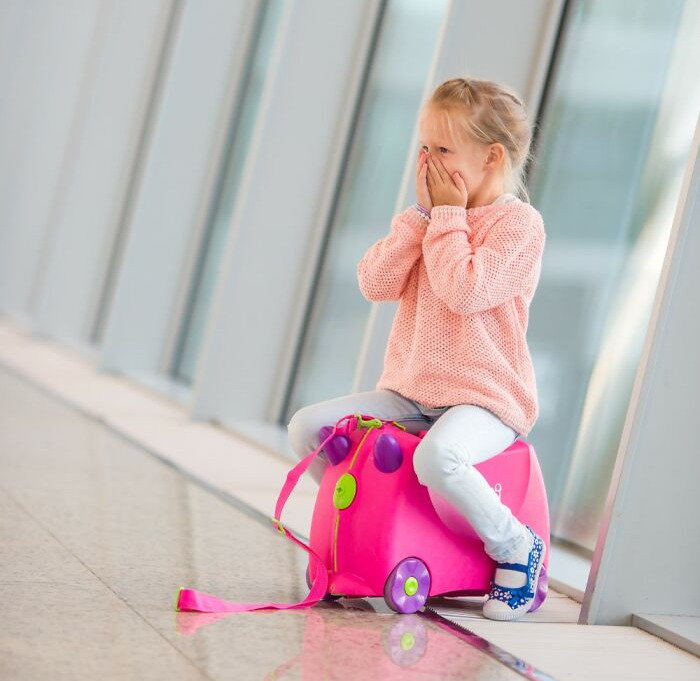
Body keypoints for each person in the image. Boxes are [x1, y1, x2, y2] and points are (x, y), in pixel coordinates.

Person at [287, 77, 547, 621]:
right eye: (423, 147)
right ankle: (371, 521)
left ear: (491, 156)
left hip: (485, 398)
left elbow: (465, 290)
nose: (427, 160)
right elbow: (374, 283)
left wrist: (447, 219)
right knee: (309, 428)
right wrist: (422, 219)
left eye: (443, 149)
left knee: (439, 455)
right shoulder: (428, 223)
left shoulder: (518, 225)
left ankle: (515, 546)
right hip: (411, 392)